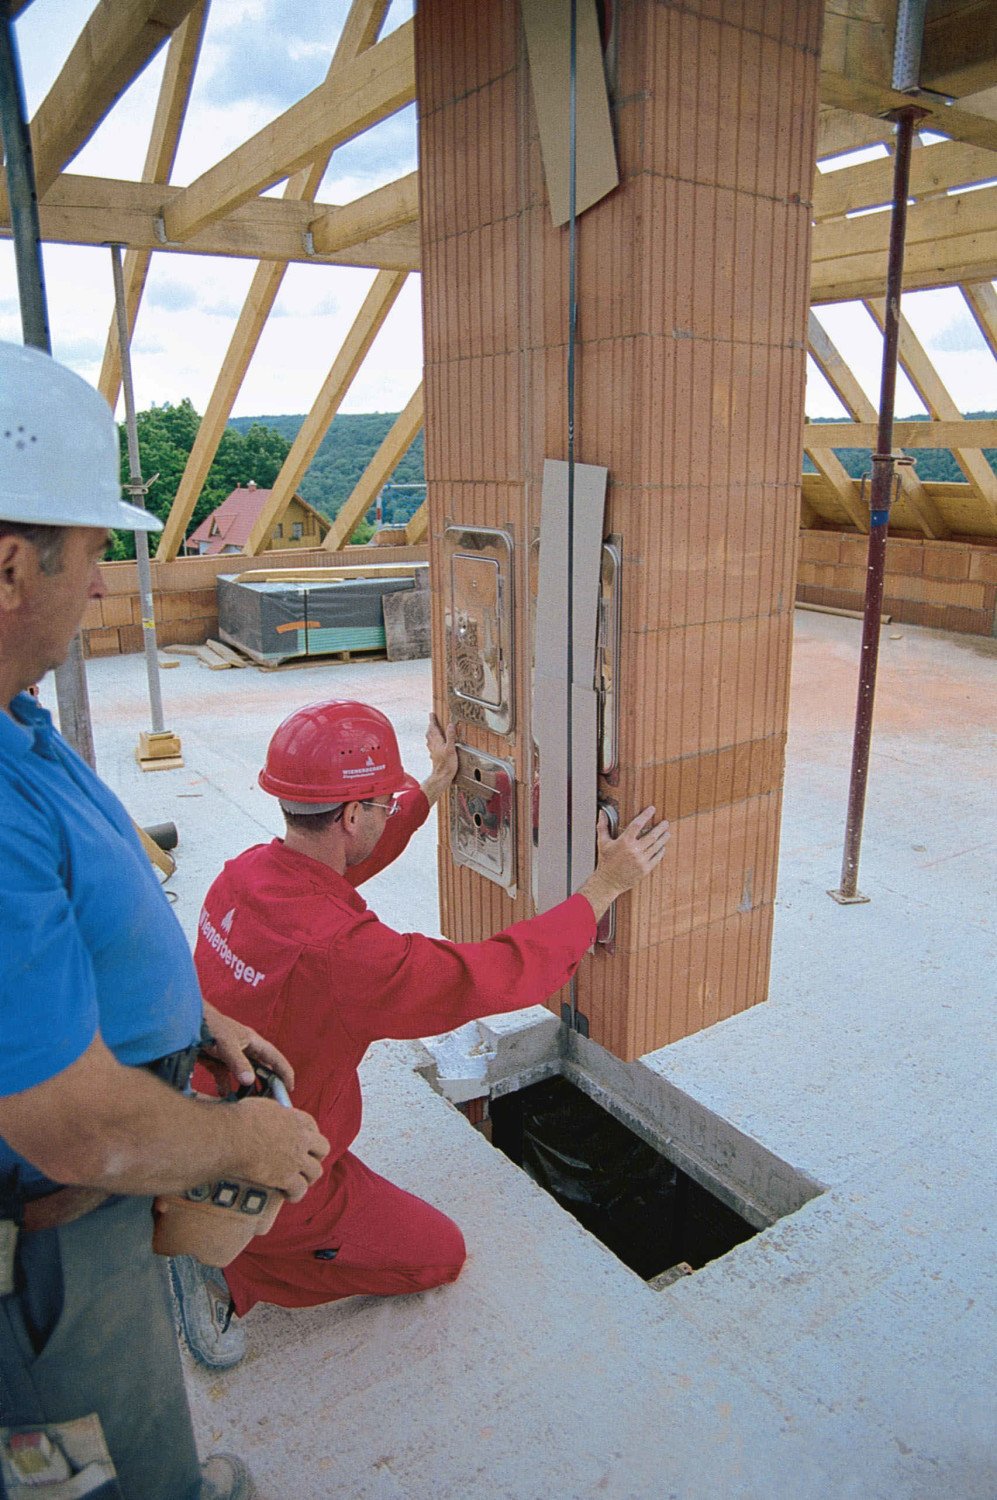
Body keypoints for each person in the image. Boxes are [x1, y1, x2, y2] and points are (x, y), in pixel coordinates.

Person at [0, 341, 330, 1500]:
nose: (99, 583)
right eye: (91, 552)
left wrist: (191, 1018)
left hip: (83, 1213)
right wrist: (243, 1144)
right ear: (9, 566)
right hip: (42, 1256)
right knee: (99, 1458)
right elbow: (76, 1129)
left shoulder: (15, 719)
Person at [175, 696, 671, 1368]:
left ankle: (230, 1234)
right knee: (436, 1256)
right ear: (352, 814)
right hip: (271, 1170)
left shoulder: (244, 878)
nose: (387, 809)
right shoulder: (345, 958)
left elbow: (336, 868)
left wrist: (430, 789)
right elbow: (488, 975)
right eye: (381, 802)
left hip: (210, 1118)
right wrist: (603, 889)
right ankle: (235, 1269)